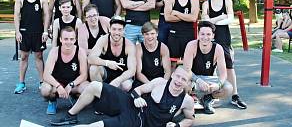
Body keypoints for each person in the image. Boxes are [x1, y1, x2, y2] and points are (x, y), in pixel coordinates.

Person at [50, 66, 195, 127]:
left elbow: (190, 119)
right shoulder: (159, 82)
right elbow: (137, 90)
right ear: (173, 74)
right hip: (130, 103)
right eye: (177, 76)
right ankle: (71, 115)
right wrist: (136, 97)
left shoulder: (186, 101)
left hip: (138, 121)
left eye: (183, 80)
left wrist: (177, 125)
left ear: (188, 83)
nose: (178, 81)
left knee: (96, 126)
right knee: (94, 85)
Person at [201, 0, 247, 109]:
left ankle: (235, 95)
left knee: (229, 67)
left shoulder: (227, 1)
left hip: (224, 37)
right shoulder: (206, 4)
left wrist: (213, 20)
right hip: (209, 37)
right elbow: (205, 21)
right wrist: (220, 17)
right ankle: (211, 95)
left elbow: (230, 19)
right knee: (210, 67)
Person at [183, 21, 233, 114]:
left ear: (213, 36)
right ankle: (190, 99)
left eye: (208, 34)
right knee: (183, 84)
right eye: (202, 34)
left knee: (228, 88)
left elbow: (223, 74)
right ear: (198, 34)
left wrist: (217, 85)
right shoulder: (191, 45)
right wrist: (198, 80)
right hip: (193, 78)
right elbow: (187, 69)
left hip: (209, 79)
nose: (205, 37)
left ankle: (208, 99)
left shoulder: (218, 48)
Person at [13, 0, 49, 94]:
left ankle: (42, 82)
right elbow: (17, 16)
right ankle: (21, 83)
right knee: (24, 57)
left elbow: (46, 15)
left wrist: (45, 31)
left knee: (39, 57)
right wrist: (17, 32)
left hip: (38, 32)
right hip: (24, 32)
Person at [41, 26, 89, 115]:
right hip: (58, 84)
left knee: (87, 87)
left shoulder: (80, 51)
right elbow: (46, 75)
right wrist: (58, 86)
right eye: (66, 39)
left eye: (71, 39)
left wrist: (71, 84)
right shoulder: (55, 52)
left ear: (75, 40)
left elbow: (84, 75)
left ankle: (77, 100)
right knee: (45, 89)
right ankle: (52, 101)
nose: (68, 42)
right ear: (61, 39)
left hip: (73, 84)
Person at [88, 16, 136, 91]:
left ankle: (115, 97)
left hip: (122, 76)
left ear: (124, 31)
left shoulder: (129, 45)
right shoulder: (103, 40)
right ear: (109, 29)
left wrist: (118, 80)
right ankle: (101, 94)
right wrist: (107, 63)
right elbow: (90, 58)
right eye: (114, 29)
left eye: (120, 29)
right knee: (93, 69)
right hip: (106, 73)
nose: (117, 32)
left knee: (127, 85)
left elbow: (132, 70)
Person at [164, 0, 199, 67]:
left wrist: (176, 13)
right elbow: (167, 17)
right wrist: (186, 17)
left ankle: (187, 81)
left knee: (188, 63)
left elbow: (193, 18)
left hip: (188, 34)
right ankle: (170, 81)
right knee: (172, 63)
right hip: (174, 34)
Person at [134, 21, 171, 88]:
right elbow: (138, 73)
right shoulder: (138, 48)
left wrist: (162, 84)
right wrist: (150, 85)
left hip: (159, 80)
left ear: (157, 34)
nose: (150, 36)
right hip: (144, 80)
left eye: (152, 33)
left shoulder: (163, 48)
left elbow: (167, 71)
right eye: (147, 34)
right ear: (143, 35)